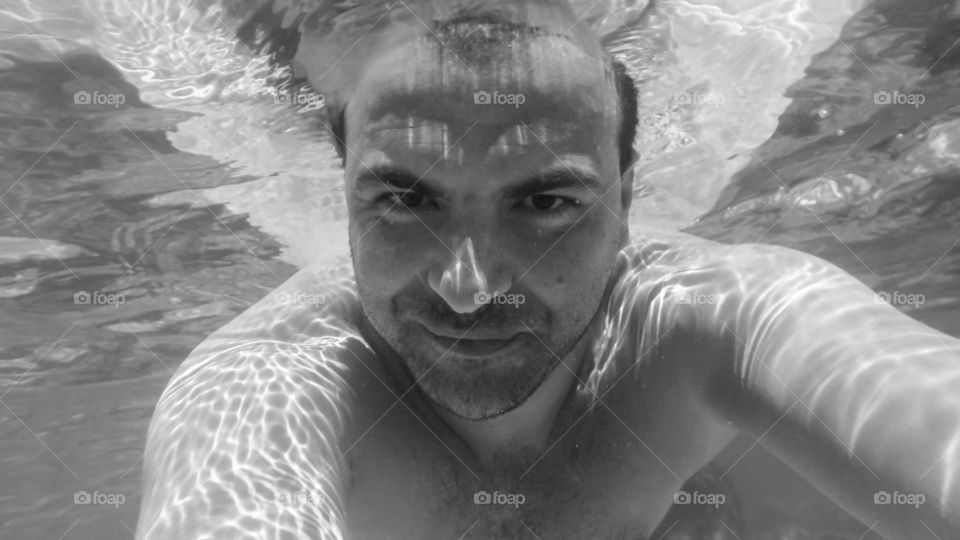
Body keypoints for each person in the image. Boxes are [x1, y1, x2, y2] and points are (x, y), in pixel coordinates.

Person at [136, 2, 960, 538]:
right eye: (403, 200)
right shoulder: (266, 383)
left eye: (546, 203)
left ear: (628, 203)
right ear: (344, 197)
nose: (469, 283)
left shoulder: (719, 317)